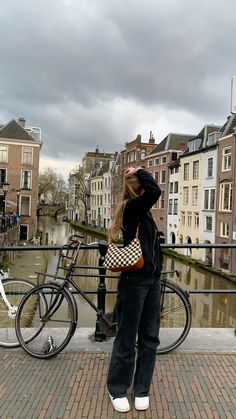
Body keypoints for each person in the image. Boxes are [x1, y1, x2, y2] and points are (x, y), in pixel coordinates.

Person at [107, 166, 162, 413]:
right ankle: (117, 388)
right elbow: (156, 190)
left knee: (150, 337)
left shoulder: (144, 211)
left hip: (151, 281)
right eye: (143, 180)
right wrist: (141, 169)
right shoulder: (133, 207)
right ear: (139, 186)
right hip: (134, 282)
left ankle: (141, 388)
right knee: (127, 337)